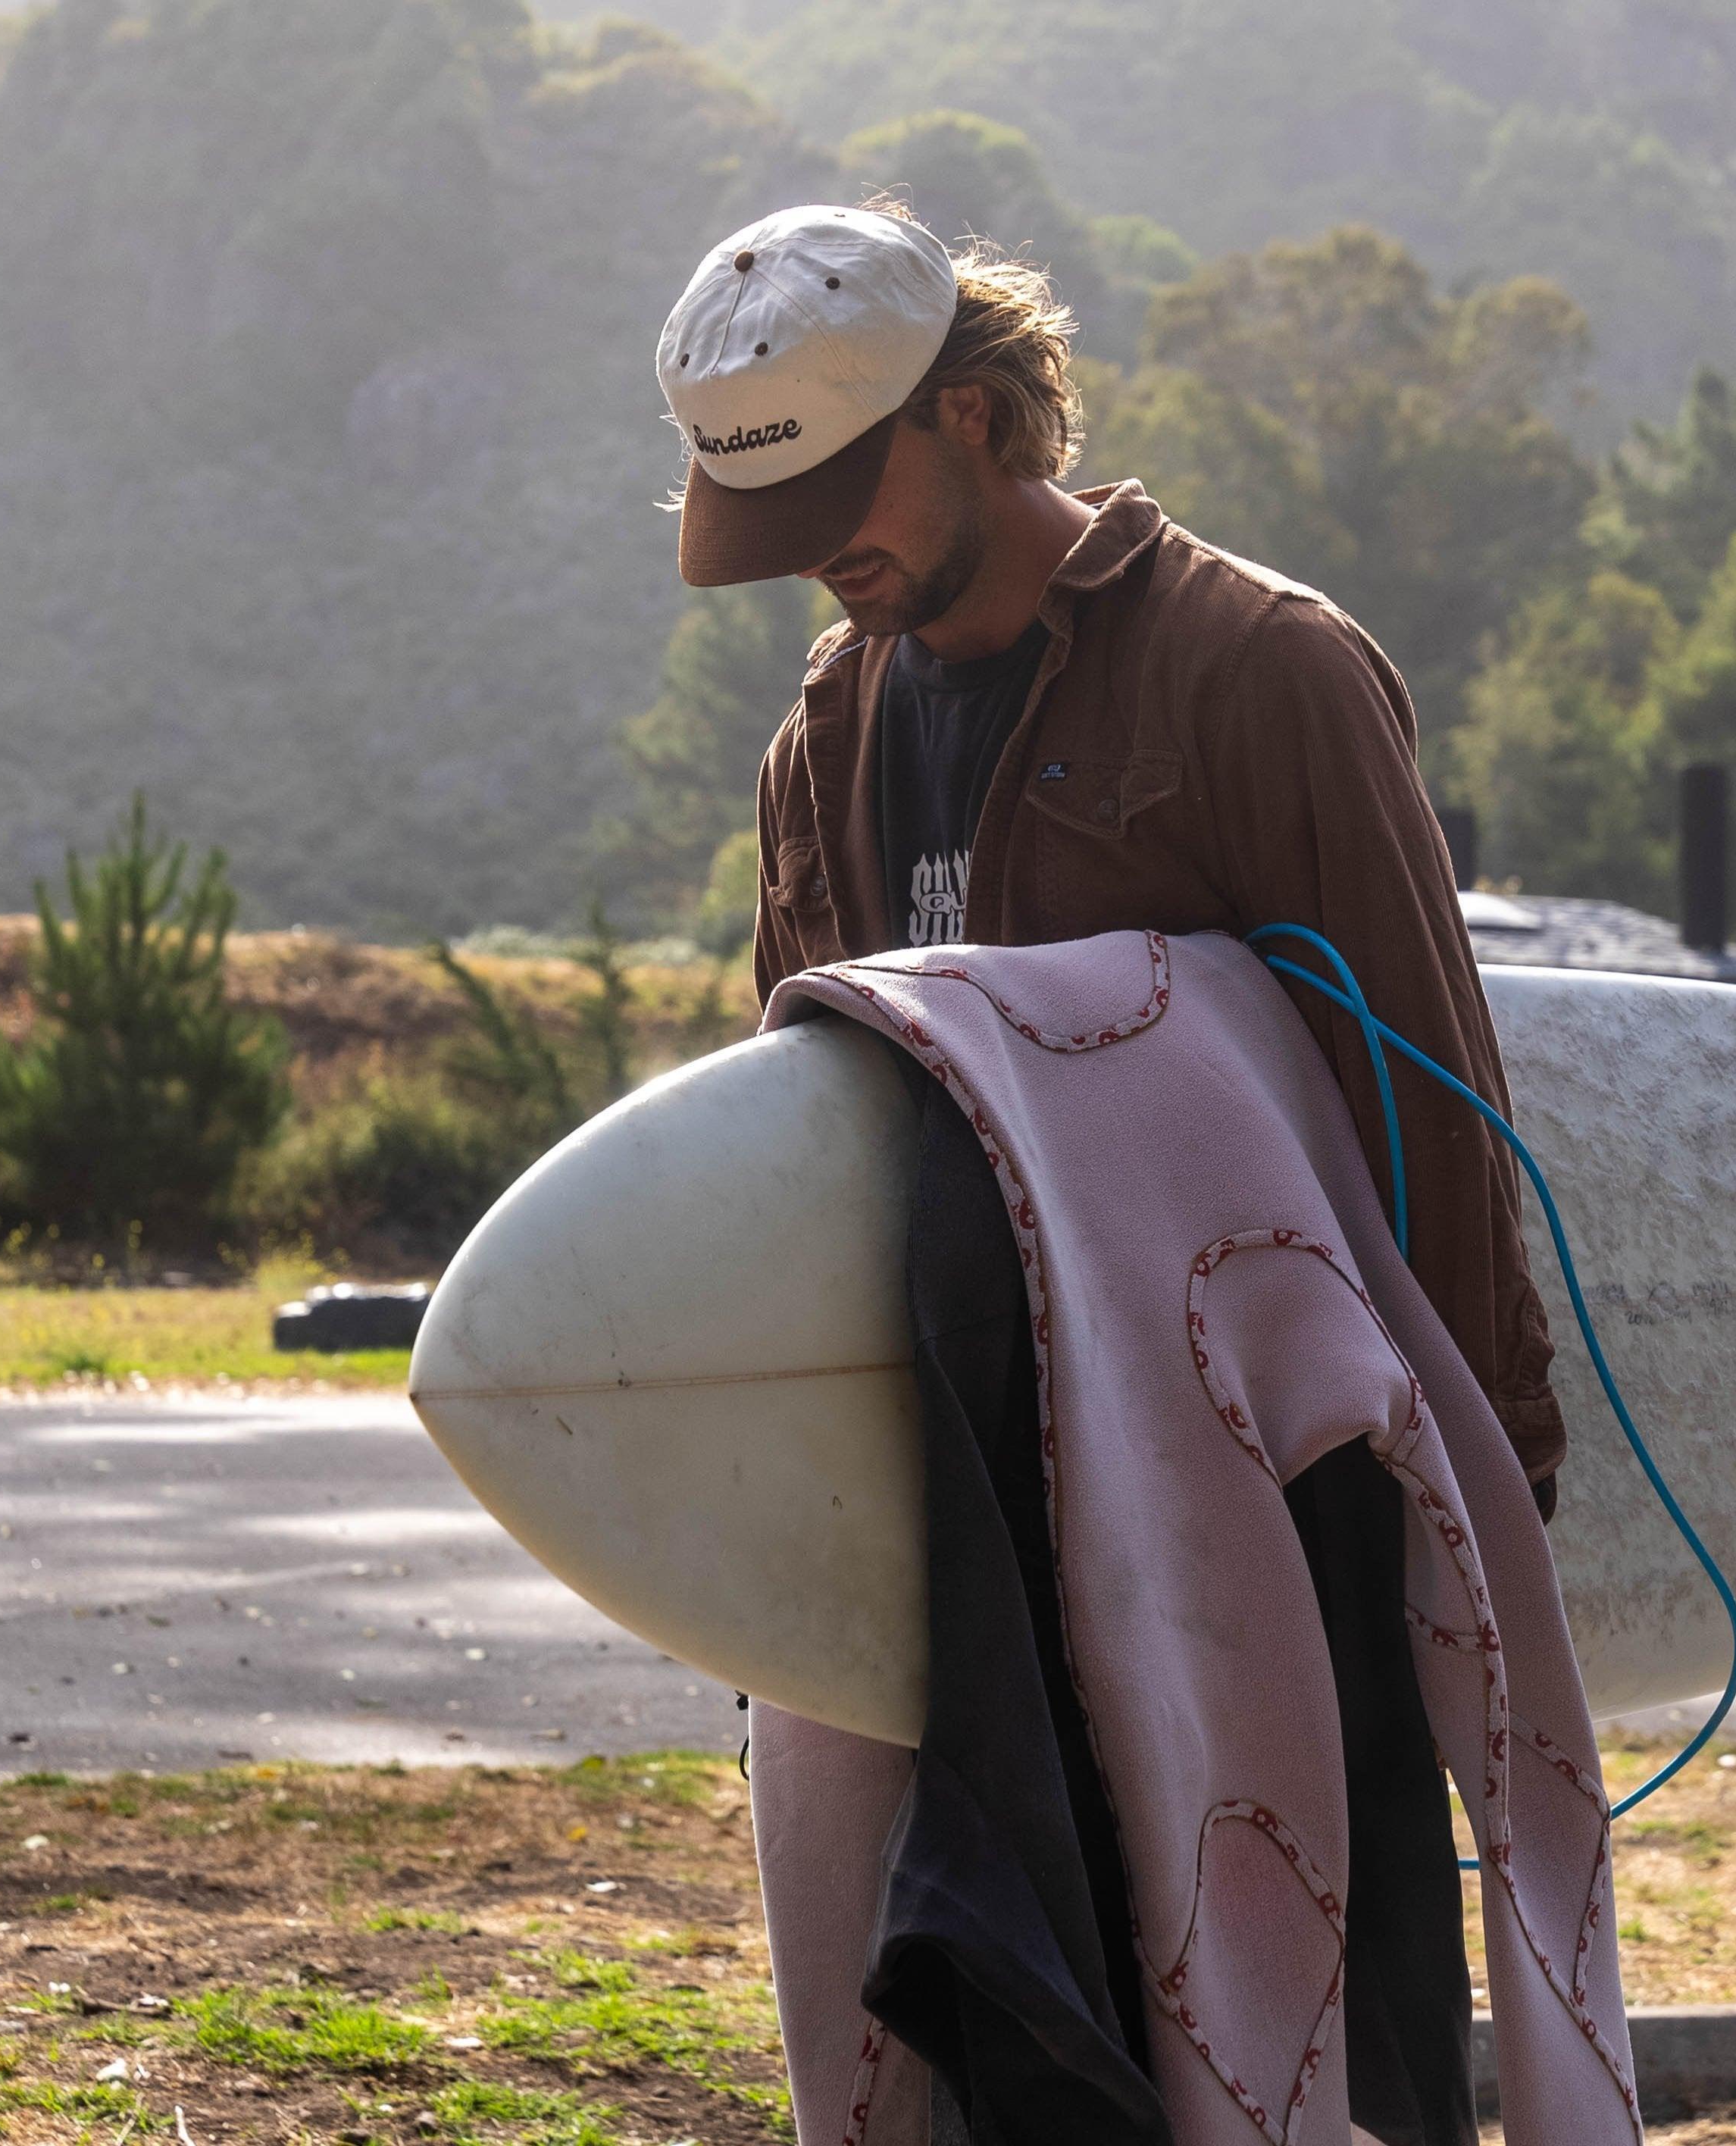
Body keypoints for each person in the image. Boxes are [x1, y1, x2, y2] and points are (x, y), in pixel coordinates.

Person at [656, 200, 1564, 2146]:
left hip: (1258, 1505)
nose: (826, 558)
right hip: (948, 1513)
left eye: (848, 492)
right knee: (976, 2036)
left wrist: (1486, 1493)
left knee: (1314, 2042)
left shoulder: (1263, 675)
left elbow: (1430, 1108)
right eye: (784, 518)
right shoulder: (829, 730)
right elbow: (805, 1140)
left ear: (976, 416)